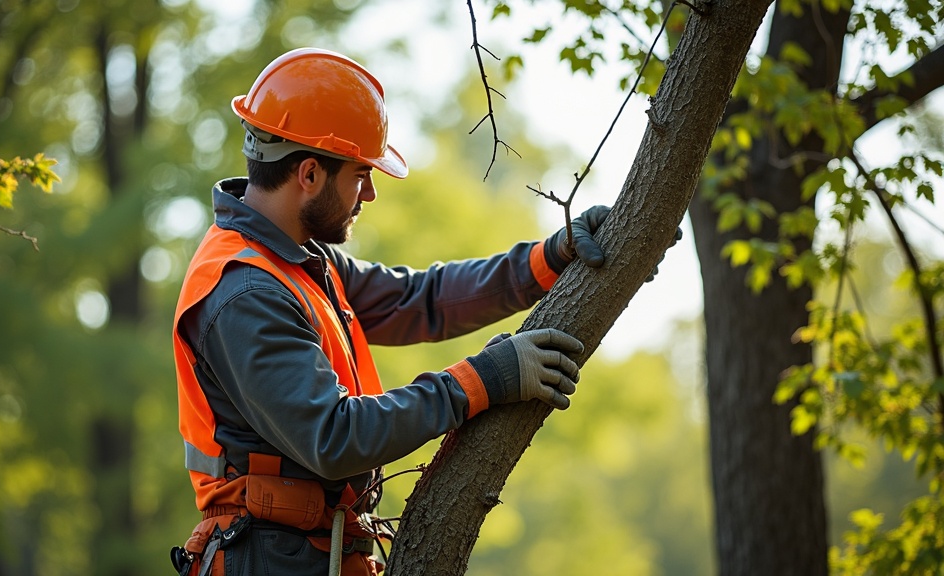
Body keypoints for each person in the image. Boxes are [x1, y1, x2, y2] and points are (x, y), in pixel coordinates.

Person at [170, 47, 664, 576]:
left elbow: (420, 299)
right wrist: (481, 381)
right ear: (309, 174)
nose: (370, 193)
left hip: (305, 550)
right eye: (361, 173)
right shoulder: (245, 291)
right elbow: (334, 437)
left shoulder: (298, 261)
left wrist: (549, 258)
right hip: (269, 559)